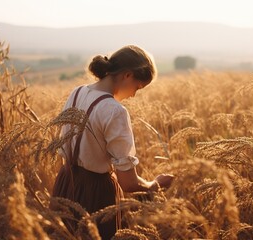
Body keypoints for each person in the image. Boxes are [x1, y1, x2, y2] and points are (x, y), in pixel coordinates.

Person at [51, 45, 174, 239]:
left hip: (65, 184)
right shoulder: (114, 110)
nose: (134, 95)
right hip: (96, 195)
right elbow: (128, 182)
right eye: (138, 87)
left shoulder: (77, 92)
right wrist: (154, 184)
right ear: (127, 75)